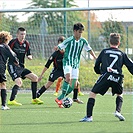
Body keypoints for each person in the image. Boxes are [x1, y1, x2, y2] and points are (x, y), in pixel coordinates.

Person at [80, 33, 133, 122]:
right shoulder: (122, 54)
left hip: (106, 75)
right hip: (117, 77)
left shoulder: (104, 51)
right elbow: (131, 66)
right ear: (119, 43)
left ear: (109, 42)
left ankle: (89, 117)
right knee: (119, 94)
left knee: (93, 93)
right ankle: (117, 111)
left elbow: (97, 64)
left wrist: (99, 72)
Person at [54, 22, 97, 108]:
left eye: (81, 32)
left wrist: (96, 58)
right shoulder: (69, 40)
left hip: (75, 64)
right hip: (67, 62)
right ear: (74, 31)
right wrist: (58, 47)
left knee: (74, 84)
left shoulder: (83, 41)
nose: (80, 34)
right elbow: (61, 46)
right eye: (79, 32)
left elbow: (89, 49)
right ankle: (61, 99)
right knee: (68, 78)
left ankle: (60, 98)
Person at [37, 36, 83, 104]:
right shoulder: (55, 54)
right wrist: (41, 75)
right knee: (49, 84)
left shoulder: (68, 53)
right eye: (60, 45)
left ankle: (74, 98)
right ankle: (36, 96)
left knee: (76, 83)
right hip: (57, 70)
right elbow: (47, 65)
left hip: (66, 71)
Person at [7, 27, 43, 106]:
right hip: (12, 66)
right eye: (21, 34)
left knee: (35, 78)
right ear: (17, 34)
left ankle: (34, 99)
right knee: (19, 82)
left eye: (24, 34)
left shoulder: (26, 43)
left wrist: (30, 56)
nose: (23, 36)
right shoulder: (12, 42)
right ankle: (11, 100)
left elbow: (29, 53)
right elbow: (6, 50)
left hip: (21, 67)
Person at [0, 31, 19, 110]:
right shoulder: (5, 47)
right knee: (2, 84)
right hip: (0, 68)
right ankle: (4, 105)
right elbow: (13, 56)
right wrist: (16, 62)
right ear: (7, 39)